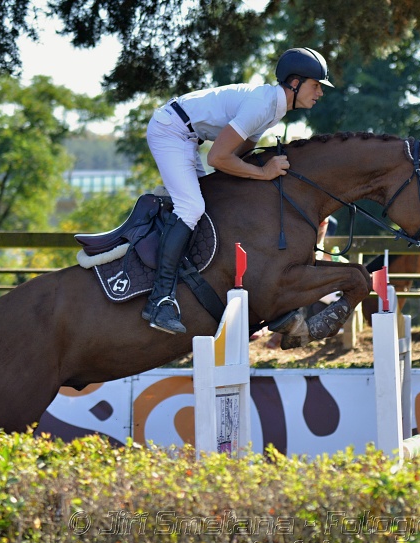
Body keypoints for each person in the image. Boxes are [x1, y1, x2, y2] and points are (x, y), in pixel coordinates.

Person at [143, 48, 333, 334]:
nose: (319, 93)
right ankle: (159, 301)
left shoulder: (273, 109)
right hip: (171, 130)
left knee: (214, 206)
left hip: (188, 136)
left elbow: (238, 156)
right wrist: (263, 172)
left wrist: (260, 176)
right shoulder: (262, 105)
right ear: (295, 83)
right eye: (316, 85)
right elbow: (217, 158)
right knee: (191, 208)